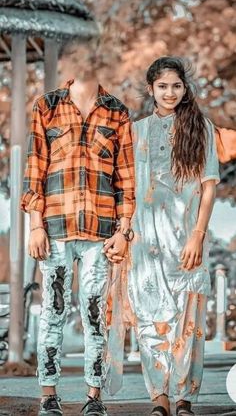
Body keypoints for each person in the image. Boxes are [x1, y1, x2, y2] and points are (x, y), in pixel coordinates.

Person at [21, 36, 135, 416]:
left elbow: (126, 179)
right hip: (54, 228)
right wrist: (35, 223)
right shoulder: (46, 106)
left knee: (93, 312)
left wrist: (123, 230)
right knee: (53, 310)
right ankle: (48, 396)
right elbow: (34, 167)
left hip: (101, 234)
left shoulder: (118, 112)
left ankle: (93, 398)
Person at [127, 56, 220, 416]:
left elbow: (209, 189)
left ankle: (183, 398)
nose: (170, 92)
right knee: (150, 322)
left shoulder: (201, 128)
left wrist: (198, 235)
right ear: (150, 89)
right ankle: (159, 398)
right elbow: (127, 189)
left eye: (176, 86)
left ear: (185, 89)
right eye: (162, 86)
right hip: (145, 244)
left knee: (188, 318)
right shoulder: (135, 132)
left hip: (186, 239)